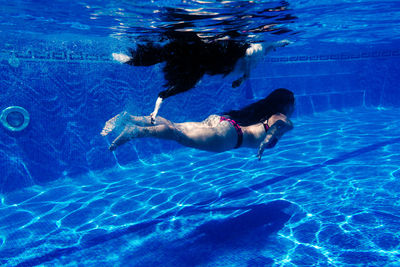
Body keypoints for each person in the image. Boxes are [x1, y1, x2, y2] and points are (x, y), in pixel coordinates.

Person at [112, 31, 291, 124]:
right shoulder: (195, 72)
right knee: (167, 54)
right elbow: (258, 53)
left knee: (166, 53)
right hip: (215, 56)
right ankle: (130, 59)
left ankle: (131, 59)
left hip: (214, 57)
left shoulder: (194, 72)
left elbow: (164, 93)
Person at [101, 88, 294, 160]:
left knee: (175, 126)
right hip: (228, 138)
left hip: (223, 122)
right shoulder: (281, 118)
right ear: (286, 105)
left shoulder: (264, 113)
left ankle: (131, 118)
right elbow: (278, 126)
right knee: (176, 134)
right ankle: (134, 131)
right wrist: (263, 144)